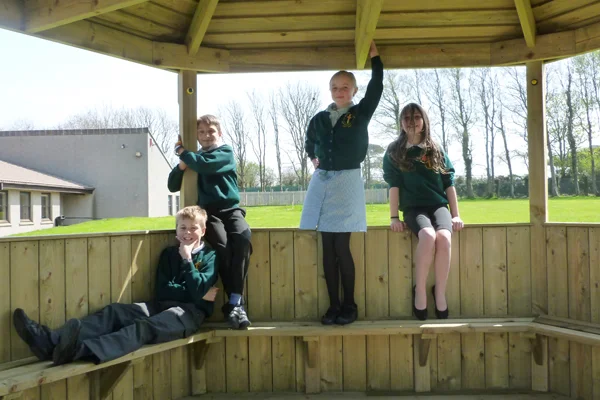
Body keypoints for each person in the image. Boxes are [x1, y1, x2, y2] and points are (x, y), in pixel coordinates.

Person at [13, 205, 219, 365]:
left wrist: (187, 260)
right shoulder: (167, 254)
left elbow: (194, 290)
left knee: (144, 327)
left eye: (193, 228)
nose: (187, 233)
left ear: (203, 230)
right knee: (115, 312)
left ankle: (79, 350)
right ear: (176, 228)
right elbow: (164, 289)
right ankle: (49, 340)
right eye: (183, 227)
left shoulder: (210, 256)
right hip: (159, 306)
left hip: (188, 315)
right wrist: (196, 292)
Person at [300, 41, 383, 325]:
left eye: (346, 86)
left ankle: (350, 304)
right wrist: (313, 158)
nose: (340, 91)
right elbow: (310, 142)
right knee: (327, 247)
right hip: (323, 183)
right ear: (330, 90)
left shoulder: (360, 113)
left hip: (347, 182)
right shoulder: (319, 118)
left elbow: (377, 88)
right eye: (335, 86)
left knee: (341, 248)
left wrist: (375, 59)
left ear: (354, 91)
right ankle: (333, 305)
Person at [168, 114, 252, 329]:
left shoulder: (224, 152)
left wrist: (183, 152)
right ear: (196, 136)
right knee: (222, 246)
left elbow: (206, 165)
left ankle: (235, 300)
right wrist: (181, 166)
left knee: (242, 239)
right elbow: (172, 185)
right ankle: (235, 304)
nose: (206, 136)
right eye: (202, 132)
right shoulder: (195, 158)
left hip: (231, 209)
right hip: (210, 212)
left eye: (211, 131)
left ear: (220, 133)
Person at [382, 103, 464, 321]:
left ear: (424, 121)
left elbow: (449, 183)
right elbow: (394, 186)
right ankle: (419, 290)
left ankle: (439, 292)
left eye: (417, 117)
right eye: (407, 117)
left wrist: (455, 215)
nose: (412, 121)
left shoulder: (435, 149)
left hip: (438, 206)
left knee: (444, 238)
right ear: (400, 122)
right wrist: (393, 218)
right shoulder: (394, 152)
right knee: (427, 236)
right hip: (413, 208)